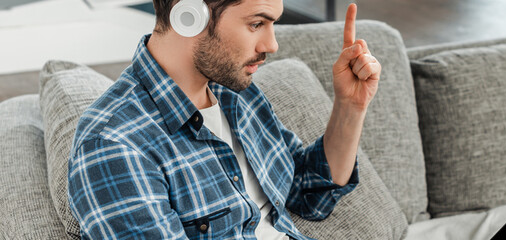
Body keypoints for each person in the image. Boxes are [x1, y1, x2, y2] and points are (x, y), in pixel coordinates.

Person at [66, 0, 380, 239]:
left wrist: (350, 106)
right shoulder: (114, 145)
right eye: (257, 24)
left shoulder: (235, 92)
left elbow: (308, 193)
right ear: (188, 16)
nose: (272, 45)